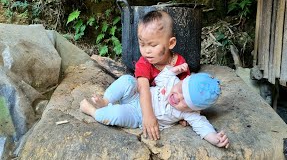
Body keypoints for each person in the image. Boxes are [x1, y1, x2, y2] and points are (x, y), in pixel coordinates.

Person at [80, 63, 230, 148]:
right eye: (180, 90)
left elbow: (202, 126)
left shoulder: (190, 114)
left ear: (194, 109)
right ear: (183, 81)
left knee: (117, 114)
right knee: (127, 80)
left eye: (185, 101)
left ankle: (93, 111)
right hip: (136, 94)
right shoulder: (173, 82)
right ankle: (105, 101)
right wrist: (173, 70)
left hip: (137, 115)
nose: (176, 97)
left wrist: (215, 139)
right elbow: (162, 77)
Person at [134, 10, 190, 140]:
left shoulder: (179, 64)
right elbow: (143, 89)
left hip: (166, 107)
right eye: (142, 44)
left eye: (153, 45)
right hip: (143, 102)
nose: (146, 50)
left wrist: (185, 113)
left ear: (170, 43)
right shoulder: (144, 63)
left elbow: (186, 91)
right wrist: (148, 116)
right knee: (126, 82)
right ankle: (106, 101)